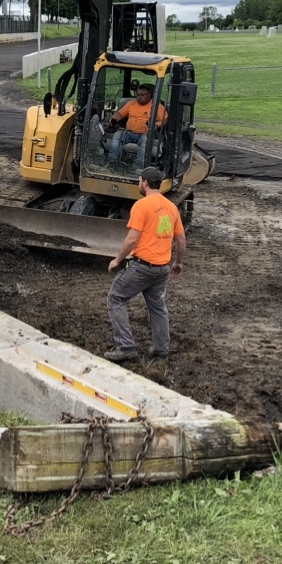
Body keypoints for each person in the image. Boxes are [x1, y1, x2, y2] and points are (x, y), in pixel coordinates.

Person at [104, 167, 186, 363]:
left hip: (142, 267)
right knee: (158, 308)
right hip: (162, 269)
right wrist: (178, 262)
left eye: (140, 180)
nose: (138, 183)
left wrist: (117, 259)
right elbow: (181, 240)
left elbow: (132, 239)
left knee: (116, 298)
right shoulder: (171, 207)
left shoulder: (142, 206)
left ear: (146, 183)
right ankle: (161, 352)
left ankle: (125, 346)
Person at [107, 83, 168, 167]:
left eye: (142, 95)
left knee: (144, 142)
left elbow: (165, 120)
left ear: (149, 94)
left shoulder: (157, 106)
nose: (139, 97)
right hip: (129, 133)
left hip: (145, 134)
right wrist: (113, 118)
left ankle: (138, 167)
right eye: (138, 94)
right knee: (117, 136)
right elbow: (120, 114)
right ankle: (112, 162)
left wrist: (157, 124)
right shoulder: (131, 104)